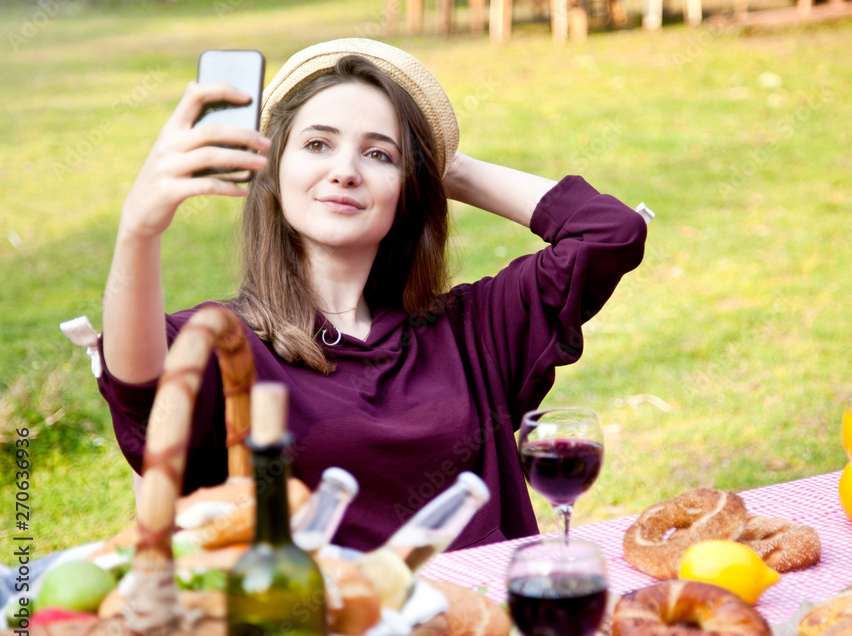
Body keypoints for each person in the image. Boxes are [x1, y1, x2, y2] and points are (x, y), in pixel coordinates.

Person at [97, 38, 647, 552]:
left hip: (483, 617)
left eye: (379, 155)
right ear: (273, 172)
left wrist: (446, 167)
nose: (345, 171)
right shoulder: (222, 344)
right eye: (317, 144)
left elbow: (609, 233)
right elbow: (141, 388)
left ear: (409, 190)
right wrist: (138, 230)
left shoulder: (471, 330)